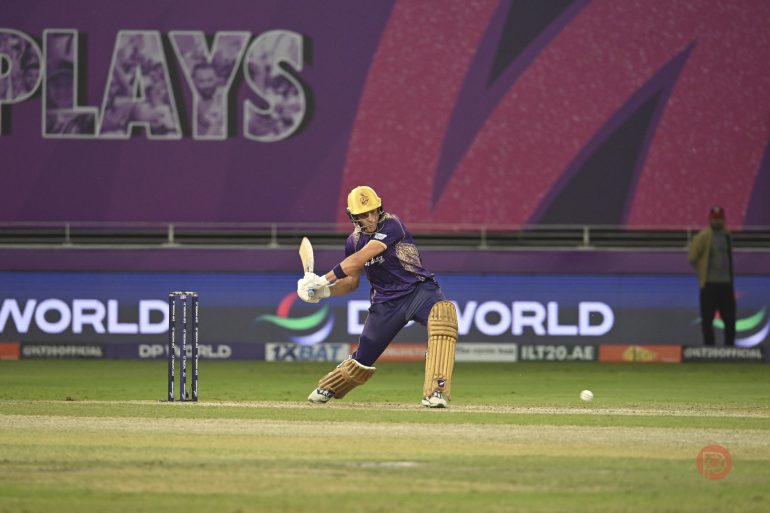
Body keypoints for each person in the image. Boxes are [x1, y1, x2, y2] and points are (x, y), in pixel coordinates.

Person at [296, 185, 458, 408]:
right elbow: (350, 283)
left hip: (419, 290)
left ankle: (435, 391)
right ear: (353, 216)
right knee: (363, 357)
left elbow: (361, 258)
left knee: (444, 316)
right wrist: (322, 292)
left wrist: (322, 279)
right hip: (385, 303)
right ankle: (329, 386)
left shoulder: (393, 225)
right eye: (363, 214)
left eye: (373, 211)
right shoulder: (352, 242)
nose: (370, 217)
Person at [687, 206, 735, 346]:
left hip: (726, 284)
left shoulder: (727, 235)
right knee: (707, 319)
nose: (717, 221)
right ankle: (709, 348)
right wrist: (702, 270)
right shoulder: (703, 236)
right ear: (709, 219)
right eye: (714, 219)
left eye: (719, 218)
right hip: (709, 284)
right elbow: (692, 257)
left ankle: (729, 349)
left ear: (724, 219)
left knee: (730, 319)